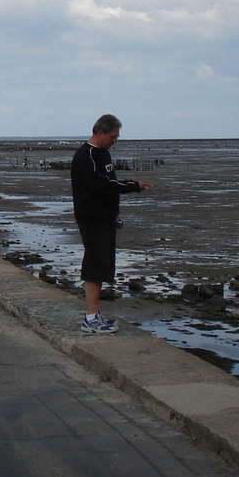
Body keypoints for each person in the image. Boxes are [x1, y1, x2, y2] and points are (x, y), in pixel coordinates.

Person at [71, 114, 152, 334]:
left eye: (117, 136)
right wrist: (133, 185)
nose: (115, 140)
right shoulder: (85, 155)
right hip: (91, 218)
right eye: (113, 136)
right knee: (95, 265)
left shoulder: (104, 153)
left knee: (104, 265)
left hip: (105, 217)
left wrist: (114, 213)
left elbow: (109, 183)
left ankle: (94, 314)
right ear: (99, 133)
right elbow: (101, 185)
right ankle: (90, 318)